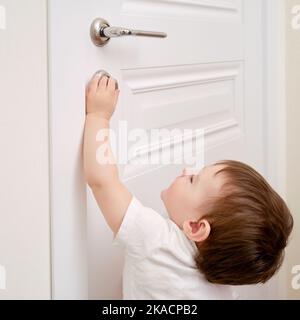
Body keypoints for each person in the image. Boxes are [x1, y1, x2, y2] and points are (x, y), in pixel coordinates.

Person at [83, 73, 293, 299]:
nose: (186, 171)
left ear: (195, 227)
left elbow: (102, 182)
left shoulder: (155, 239)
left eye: (194, 179)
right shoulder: (225, 291)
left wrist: (98, 116)